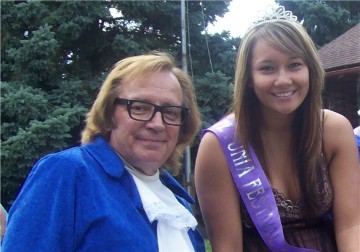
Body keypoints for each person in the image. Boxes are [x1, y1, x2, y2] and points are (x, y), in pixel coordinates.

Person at [195, 6, 360, 252]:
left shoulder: (334, 130)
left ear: (310, 70)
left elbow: (351, 226)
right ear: (248, 78)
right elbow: (227, 246)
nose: (283, 80)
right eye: (267, 68)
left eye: (294, 65)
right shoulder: (219, 145)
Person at [3, 52, 205, 251]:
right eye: (140, 108)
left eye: (170, 112)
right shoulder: (70, 173)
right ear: (109, 114)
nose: (157, 124)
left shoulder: (178, 204)